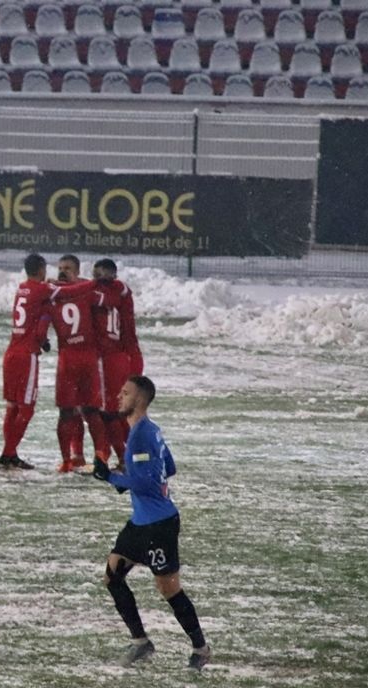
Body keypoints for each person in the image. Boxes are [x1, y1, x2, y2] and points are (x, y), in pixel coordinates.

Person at [92, 376, 210, 671]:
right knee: (112, 576)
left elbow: (144, 482)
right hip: (140, 523)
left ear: (140, 400)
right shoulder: (149, 431)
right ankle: (140, 643)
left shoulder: (142, 434)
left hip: (159, 526)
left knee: (169, 589)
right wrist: (130, 471)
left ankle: (201, 648)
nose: (119, 396)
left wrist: (111, 477)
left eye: (125, 392)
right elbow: (168, 467)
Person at [0, 253, 97, 471]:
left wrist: (42, 340)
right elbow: (71, 292)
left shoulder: (23, 288)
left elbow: (41, 321)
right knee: (29, 409)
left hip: (12, 353)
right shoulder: (44, 290)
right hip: (28, 357)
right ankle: (8, 454)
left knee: (14, 407)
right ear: (42, 269)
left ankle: (12, 453)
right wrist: (94, 283)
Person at [51, 255, 110, 473]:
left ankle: (100, 456)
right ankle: (70, 458)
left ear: (76, 271)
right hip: (68, 359)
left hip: (86, 358)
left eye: (67, 268)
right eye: (60, 268)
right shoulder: (58, 292)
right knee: (67, 412)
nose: (62, 271)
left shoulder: (83, 290)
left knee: (91, 410)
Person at [92, 258, 143, 468]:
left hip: (114, 360)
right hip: (128, 356)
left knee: (109, 412)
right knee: (122, 412)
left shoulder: (107, 294)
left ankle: (125, 456)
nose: (95, 280)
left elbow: (96, 296)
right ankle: (133, 455)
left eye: (98, 276)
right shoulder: (121, 291)